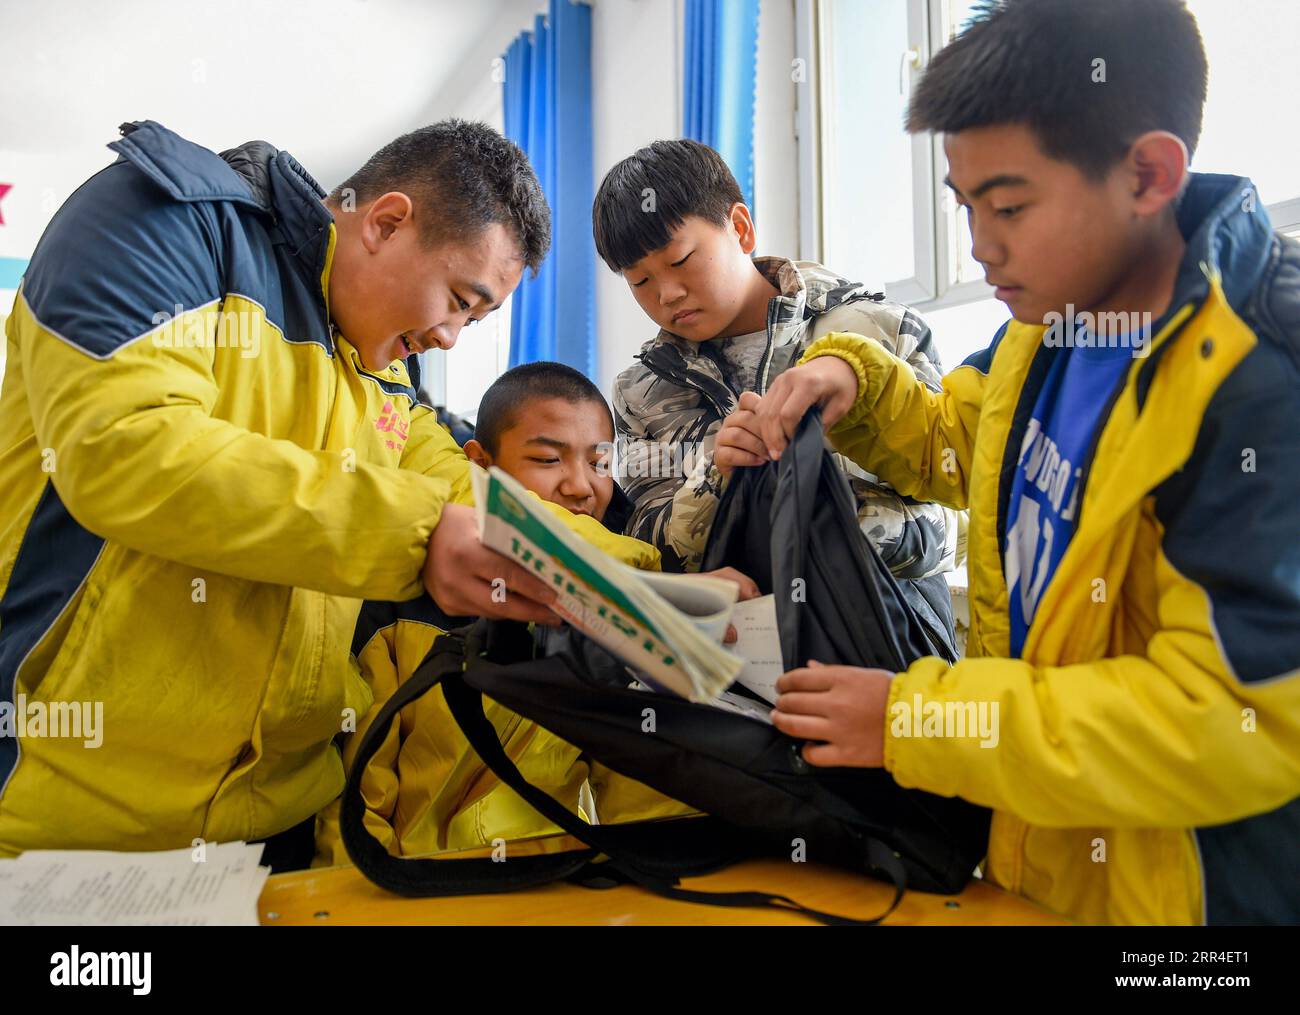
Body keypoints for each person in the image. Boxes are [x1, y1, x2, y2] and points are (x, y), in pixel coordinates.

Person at [748, 0, 1299, 924]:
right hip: (1046, 864)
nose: (979, 247)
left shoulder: (1256, 378)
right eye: (964, 206)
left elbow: (1228, 718)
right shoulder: (1051, 322)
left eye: (1009, 206)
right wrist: (856, 382)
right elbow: (966, 446)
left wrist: (918, 718)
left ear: (1150, 173)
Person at [0, 118, 567, 869]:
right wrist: (417, 534)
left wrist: (658, 587)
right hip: (67, 826)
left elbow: (487, 506)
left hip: (284, 832)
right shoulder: (164, 223)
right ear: (387, 221)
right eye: (460, 300)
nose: (452, 335)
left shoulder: (384, 369)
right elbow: (127, 451)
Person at [314, 362, 756, 863]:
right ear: (479, 465)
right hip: (416, 887)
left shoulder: (618, 613)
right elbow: (357, 792)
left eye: (600, 463)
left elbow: (644, 788)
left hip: (552, 882)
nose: (581, 486)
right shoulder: (397, 607)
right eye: (548, 460)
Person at [597, 139, 961, 653]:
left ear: (740, 228)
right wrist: (713, 480)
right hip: (733, 666)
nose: (666, 294)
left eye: (680, 260)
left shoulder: (874, 331)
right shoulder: (640, 390)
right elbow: (649, 549)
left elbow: (958, 512)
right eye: (640, 281)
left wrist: (831, 529)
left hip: (887, 640)